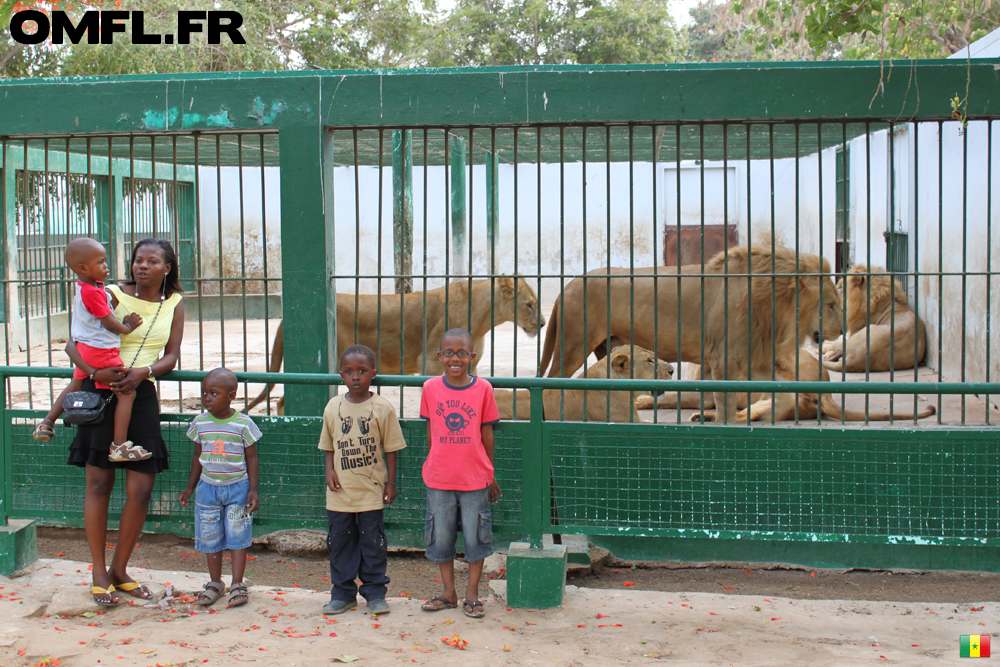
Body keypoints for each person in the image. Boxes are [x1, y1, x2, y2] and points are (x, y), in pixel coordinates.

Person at [65, 238, 184, 606]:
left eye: (152, 261)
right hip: (101, 389)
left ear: (167, 268)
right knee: (99, 483)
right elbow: (75, 340)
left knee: (141, 489)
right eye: (137, 260)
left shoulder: (175, 304)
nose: (142, 266)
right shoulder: (109, 293)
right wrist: (94, 371)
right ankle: (99, 572)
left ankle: (120, 570)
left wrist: (143, 371)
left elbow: (173, 355)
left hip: (141, 393)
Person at [33, 238, 149, 462]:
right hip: (100, 350)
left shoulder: (86, 288)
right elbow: (108, 323)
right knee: (127, 392)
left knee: (76, 383)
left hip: (84, 347)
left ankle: (47, 423)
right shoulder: (93, 293)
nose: (106, 266)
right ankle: (119, 447)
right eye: (101, 262)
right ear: (83, 268)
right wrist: (127, 327)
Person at [419, 328, 502, 619]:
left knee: (475, 539)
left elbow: (487, 433)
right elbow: (431, 432)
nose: (456, 358)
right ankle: (448, 593)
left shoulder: (483, 389)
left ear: (472, 356)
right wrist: (435, 461)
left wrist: (489, 473)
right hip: (439, 478)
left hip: (474, 480)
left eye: (462, 353)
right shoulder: (430, 388)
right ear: (440, 356)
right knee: (441, 538)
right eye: (449, 353)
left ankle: (472, 594)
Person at [319, 344, 406, 616]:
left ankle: (375, 592)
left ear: (373, 374)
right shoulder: (333, 406)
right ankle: (343, 593)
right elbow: (327, 444)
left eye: (362, 371)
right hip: (339, 494)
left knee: (373, 544)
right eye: (349, 371)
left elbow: (391, 448)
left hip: (371, 492)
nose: (355, 376)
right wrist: (329, 471)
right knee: (340, 544)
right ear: (341, 375)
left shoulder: (382, 408)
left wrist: (390, 483)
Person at [179, 368, 261, 608]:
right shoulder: (200, 423)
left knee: (238, 536)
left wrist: (253, 490)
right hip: (207, 488)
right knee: (210, 536)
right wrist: (190, 487)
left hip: (238, 488)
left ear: (231, 396)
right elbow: (197, 457)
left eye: (213, 393)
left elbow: (252, 459)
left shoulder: (243, 424)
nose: (207, 398)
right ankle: (215, 583)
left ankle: (237, 583)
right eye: (204, 393)